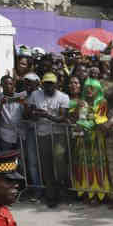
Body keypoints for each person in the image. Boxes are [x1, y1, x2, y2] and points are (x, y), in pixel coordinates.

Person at [25, 73, 71, 207]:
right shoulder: (35, 95)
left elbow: (62, 117)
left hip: (58, 134)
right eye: (46, 83)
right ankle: (51, 195)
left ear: (56, 84)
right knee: (46, 165)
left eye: (51, 83)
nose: (48, 86)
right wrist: (33, 114)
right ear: (42, 84)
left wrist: (46, 115)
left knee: (60, 164)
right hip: (42, 134)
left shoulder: (63, 97)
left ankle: (62, 191)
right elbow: (29, 113)